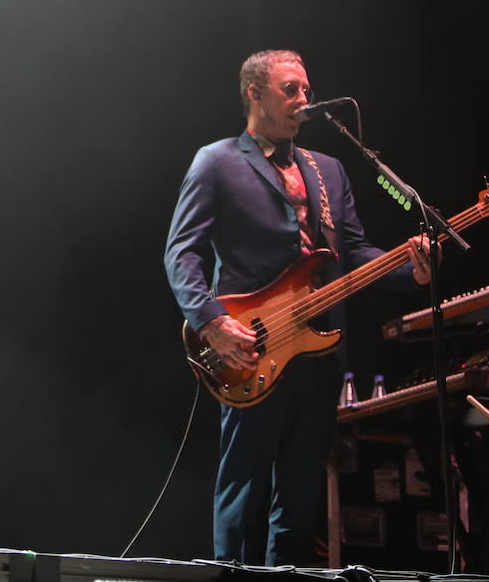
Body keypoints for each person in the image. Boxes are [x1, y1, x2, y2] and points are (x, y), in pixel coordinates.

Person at [164, 49, 432, 566]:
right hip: (250, 342)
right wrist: (211, 321)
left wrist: (410, 269)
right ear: (255, 93)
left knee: (300, 499)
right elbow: (181, 251)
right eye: (291, 89)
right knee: (243, 493)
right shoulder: (216, 160)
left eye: (307, 89)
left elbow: (353, 251)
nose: (304, 99)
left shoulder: (327, 168)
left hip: (320, 348)